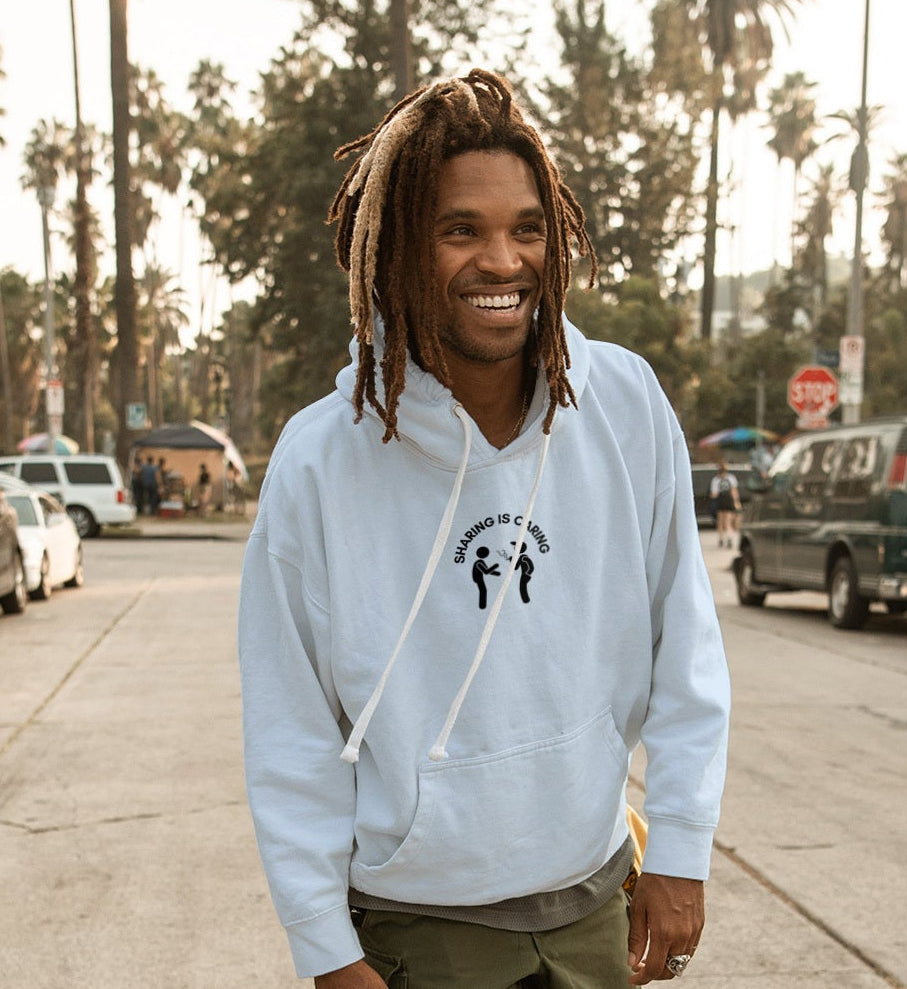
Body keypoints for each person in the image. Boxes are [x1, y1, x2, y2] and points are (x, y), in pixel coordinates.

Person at [238, 69, 730, 989]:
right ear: (393, 251)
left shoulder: (620, 402)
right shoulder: (319, 459)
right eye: (460, 229)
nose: (502, 261)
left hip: (594, 905)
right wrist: (323, 946)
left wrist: (683, 843)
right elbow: (289, 725)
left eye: (527, 228)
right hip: (418, 931)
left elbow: (685, 645)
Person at [709, 462, 741, 549]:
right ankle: (729, 538)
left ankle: (721, 539)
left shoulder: (716, 480)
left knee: (720, 521)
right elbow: (734, 491)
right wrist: (736, 502)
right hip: (729, 501)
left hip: (720, 501)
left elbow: (714, 494)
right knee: (728, 521)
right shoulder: (731, 478)